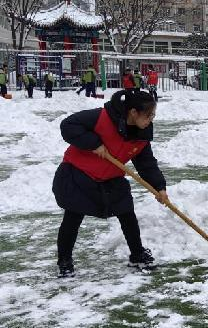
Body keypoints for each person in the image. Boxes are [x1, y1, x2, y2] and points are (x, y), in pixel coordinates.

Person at [52, 90, 167, 277]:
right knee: (73, 216)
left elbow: (146, 164)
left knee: (127, 214)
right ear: (133, 112)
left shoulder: (142, 135)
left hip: (111, 177)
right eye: (148, 115)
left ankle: (137, 254)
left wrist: (159, 187)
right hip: (79, 174)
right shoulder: (102, 117)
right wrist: (93, 143)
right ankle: (64, 261)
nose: (151, 120)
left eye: (153, 115)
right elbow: (68, 125)